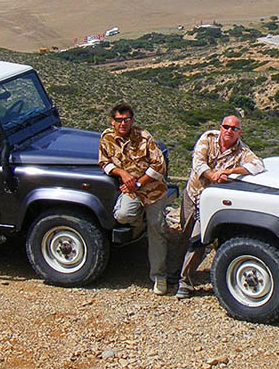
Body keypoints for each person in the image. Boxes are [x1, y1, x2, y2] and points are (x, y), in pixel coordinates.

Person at [176, 114, 265, 299]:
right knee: (183, 234)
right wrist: (212, 174)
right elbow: (198, 162)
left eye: (234, 129)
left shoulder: (242, 151)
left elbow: (258, 165)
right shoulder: (208, 138)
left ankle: (185, 281)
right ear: (220, 127)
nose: (229, 131)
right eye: (226, 127)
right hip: (193, 194)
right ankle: (172, 271)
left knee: (198, 240)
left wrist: (231, 171)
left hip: (211, 203)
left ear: (239, 132)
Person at [98, 103, 170, 295]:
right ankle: (142, 222)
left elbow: (159, 166)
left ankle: (159, 276)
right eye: (119, 120)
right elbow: (104, 162)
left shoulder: (144, 137)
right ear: (112, 121)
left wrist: (138, 183)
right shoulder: (106, 138)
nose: (123, 123)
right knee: (122, 215)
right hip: (131, 191)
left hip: (152, 190)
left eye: (127, 119)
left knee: (157, 231)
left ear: (132, 121)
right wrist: (122, 173)